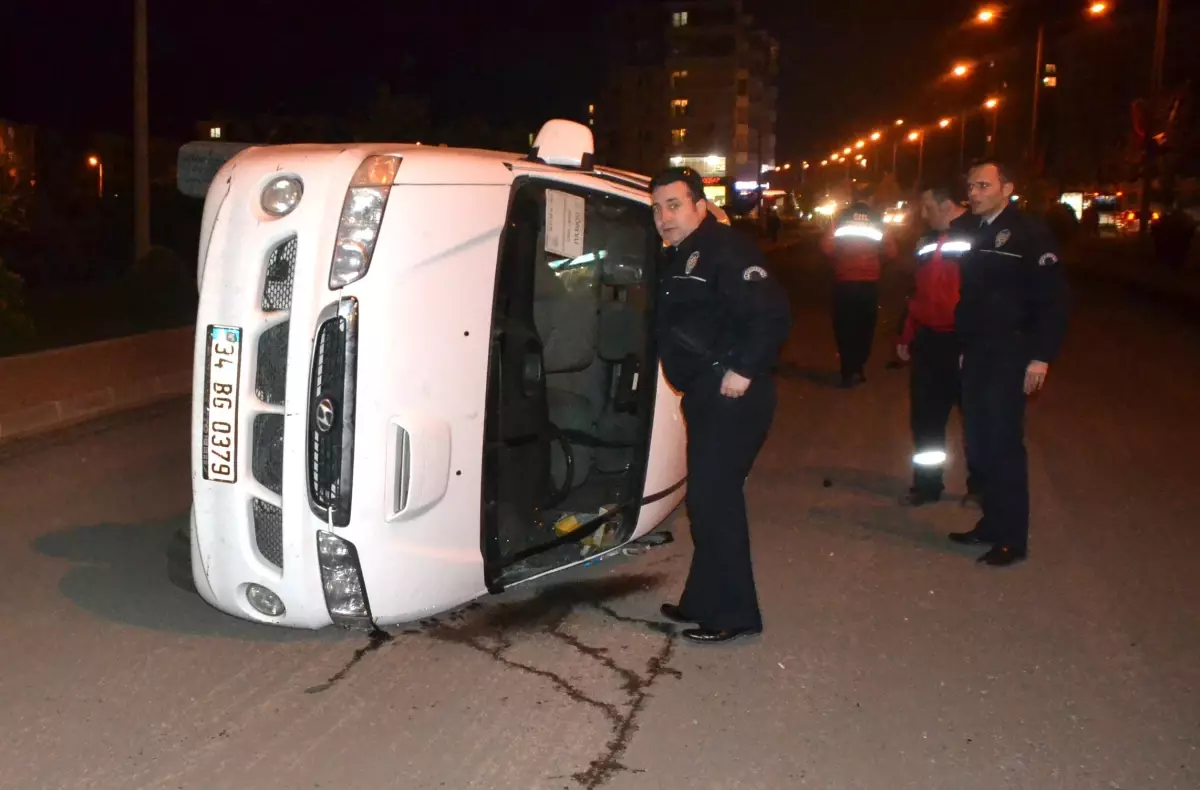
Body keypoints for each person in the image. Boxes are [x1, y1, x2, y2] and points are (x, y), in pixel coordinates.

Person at [650, 166, 793, 644]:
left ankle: (735, 613)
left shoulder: (725, 249)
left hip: (733, 395)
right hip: (706, 396)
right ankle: (702, 602)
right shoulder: (683, 255)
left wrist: (745, 369)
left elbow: (771, 313)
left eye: (673, 205)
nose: (664, 216)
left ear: (698, 205)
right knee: (706, 503)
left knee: (716, 503)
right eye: (657, 208)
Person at [952, 159, 1069, 566]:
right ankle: (991, 522)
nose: (974, 192)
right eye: (970, 186)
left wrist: (1041, 357)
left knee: (1003, 445)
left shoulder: (1029, 233)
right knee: (979, 443)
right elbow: (971, 295)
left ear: (1007, 188)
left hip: (1012, 352)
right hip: (979, 350)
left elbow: (1053, 300)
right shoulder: (973, 230)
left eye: (984, 185)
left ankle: (1012, 538)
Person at [896, 183, 983, 508]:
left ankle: (980, 487)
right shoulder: (925, 241)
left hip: (965, 341)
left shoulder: (978, 235)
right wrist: (906, 333)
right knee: (925, 418)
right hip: (929, 340)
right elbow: (917, 292)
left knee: (975, 418)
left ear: (947, 205)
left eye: (928, 208)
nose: (923, 215)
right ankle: (927, 485)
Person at [820, 189, 898, 387]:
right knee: (865, 326)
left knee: (844, 325)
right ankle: (859, 366)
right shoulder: (878, 220)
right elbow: (892, 251)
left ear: (854, 199)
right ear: (871, 198)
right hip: (869, 283)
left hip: (844, 282)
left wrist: (840, 260)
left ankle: (847, 368)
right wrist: (877, 261)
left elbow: (826, 247)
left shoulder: (841, 218)